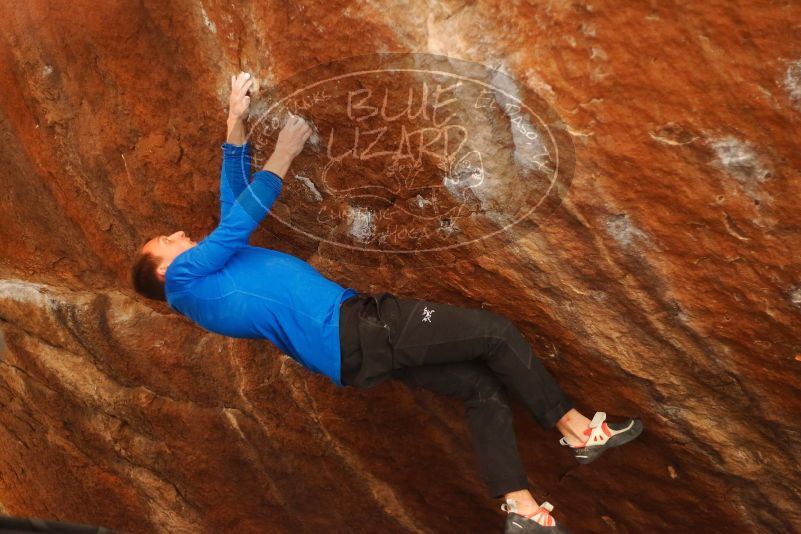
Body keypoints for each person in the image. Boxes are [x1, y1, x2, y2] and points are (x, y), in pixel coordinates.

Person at [131, 72, 644, 534]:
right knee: (495, 333)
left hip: (352, 354)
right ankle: (577, 429)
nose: (178, 232)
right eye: (166, 238)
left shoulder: (201, 285)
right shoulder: (183, 281)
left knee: (481, 388)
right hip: (356, 327)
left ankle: (520, 509)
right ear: (162, 268)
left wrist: (235, 123)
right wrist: (285, 152)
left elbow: (232, 207)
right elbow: (240, 221)